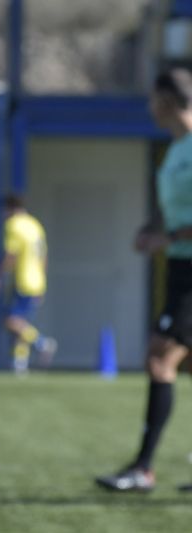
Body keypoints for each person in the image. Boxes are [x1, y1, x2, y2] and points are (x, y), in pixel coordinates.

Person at [96, 68, 192, 493]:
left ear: (169, 101)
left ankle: (144, 468)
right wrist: (152, 226)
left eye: (153, 99)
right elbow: (173, 207)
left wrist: (166, 237)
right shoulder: (175, 149)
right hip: (179, 267)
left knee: (160, 358)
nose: (149, 107)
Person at [0, 194, 56, 374]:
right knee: (22, 324)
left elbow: (11, 254)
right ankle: (19, 363)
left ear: (10, 209)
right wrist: (43, 281)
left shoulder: (14, 225)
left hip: (23, 280)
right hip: (37, 281)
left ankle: (42, 343)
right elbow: (43, 256)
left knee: (11, 321)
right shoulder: (35, 225)